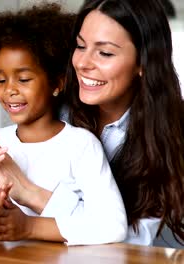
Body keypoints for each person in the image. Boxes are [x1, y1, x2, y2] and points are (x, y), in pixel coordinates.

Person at [0, 3, 127, 246]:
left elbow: (112, 226)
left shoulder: (81, 145)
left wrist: (27, 227)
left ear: (56, 84)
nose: (9, 90)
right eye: (0, 79)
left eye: (24, 79)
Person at [65, 0, 184, 245]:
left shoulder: (172, 133)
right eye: (80, 46)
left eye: (105, 53)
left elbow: (142, 241)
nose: (83, 63)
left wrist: (37, 198)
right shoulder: (58, 116)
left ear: (143, 62)